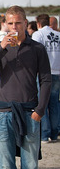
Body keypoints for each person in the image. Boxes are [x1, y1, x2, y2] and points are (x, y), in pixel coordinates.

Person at [0, 5, 51, 169]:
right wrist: (1, 47)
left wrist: (40, 110)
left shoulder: (37, 48)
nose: (14, 27)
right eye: (10, 23)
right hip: (3, 114)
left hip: (29, 112)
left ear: (25, 23)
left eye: (18, 23)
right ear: (5, 24)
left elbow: (46, 80)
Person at [32, 14, 60, 143]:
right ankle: (54, 133)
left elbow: (35, 54)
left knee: (42, 103)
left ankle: (44, 134)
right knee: (54, 104)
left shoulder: (38, 35)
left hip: (44, 73)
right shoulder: (58, 34)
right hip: (57, 71)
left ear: (38, 23)